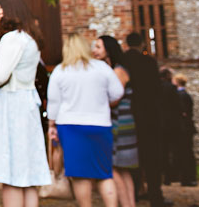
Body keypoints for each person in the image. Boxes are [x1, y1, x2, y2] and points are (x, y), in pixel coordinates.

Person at [0, 0, 52, 207]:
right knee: (27, 177)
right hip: (24, 104)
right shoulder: (29, 38)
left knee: (12, 175)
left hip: (9, 106)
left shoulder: (13, 39)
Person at [47, 33, 124, 207]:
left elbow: (54, 102)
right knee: (104, 173)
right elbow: (117, 92)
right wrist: (105, 102)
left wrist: (52, 125)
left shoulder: (61, 70)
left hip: (71, 126)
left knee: (80, 175)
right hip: (100, 124)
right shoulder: (102, 68)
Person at [93, 35, 138, 207]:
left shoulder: (118, 70)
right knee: (122, 169)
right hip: (118, 119)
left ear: (108, 49)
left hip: (120, 121)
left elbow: (115, 98)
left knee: (113, 167)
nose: (94, 51)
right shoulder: (110, 69)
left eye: (98, 47)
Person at [122, 32, 166, 207]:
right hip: (149, 115)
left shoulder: (123, 62)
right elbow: (157, 90)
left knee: (131, 156)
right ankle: (156, 195)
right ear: (141, 44)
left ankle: (132, 194)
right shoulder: (149, 62)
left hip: (128, 114)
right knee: (152, 157)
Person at [173, 74, 197, 187]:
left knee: (186, 152)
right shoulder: (185, 94)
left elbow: (184, 113)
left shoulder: (181, 95)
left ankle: (188, 178)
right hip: (186, 128)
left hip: (184, 129)